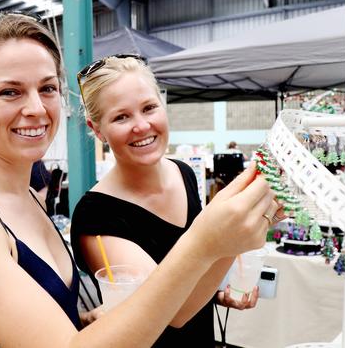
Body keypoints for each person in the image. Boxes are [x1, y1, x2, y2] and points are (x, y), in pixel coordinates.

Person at [0, 12, 278, 347]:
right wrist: (205, 243)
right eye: (10, 91)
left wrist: (89, 322)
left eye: (48, 88)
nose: (37, 109)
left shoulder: (25, 200)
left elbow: (47, 329)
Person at [72, 56, 284, 347]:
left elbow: (192, 276)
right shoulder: (96, 217)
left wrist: (218, 291)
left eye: (149, 107)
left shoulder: (182, 172)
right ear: (97, 130)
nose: (142, 125)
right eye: (122, 117)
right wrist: (234, 236)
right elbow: (174, 313)